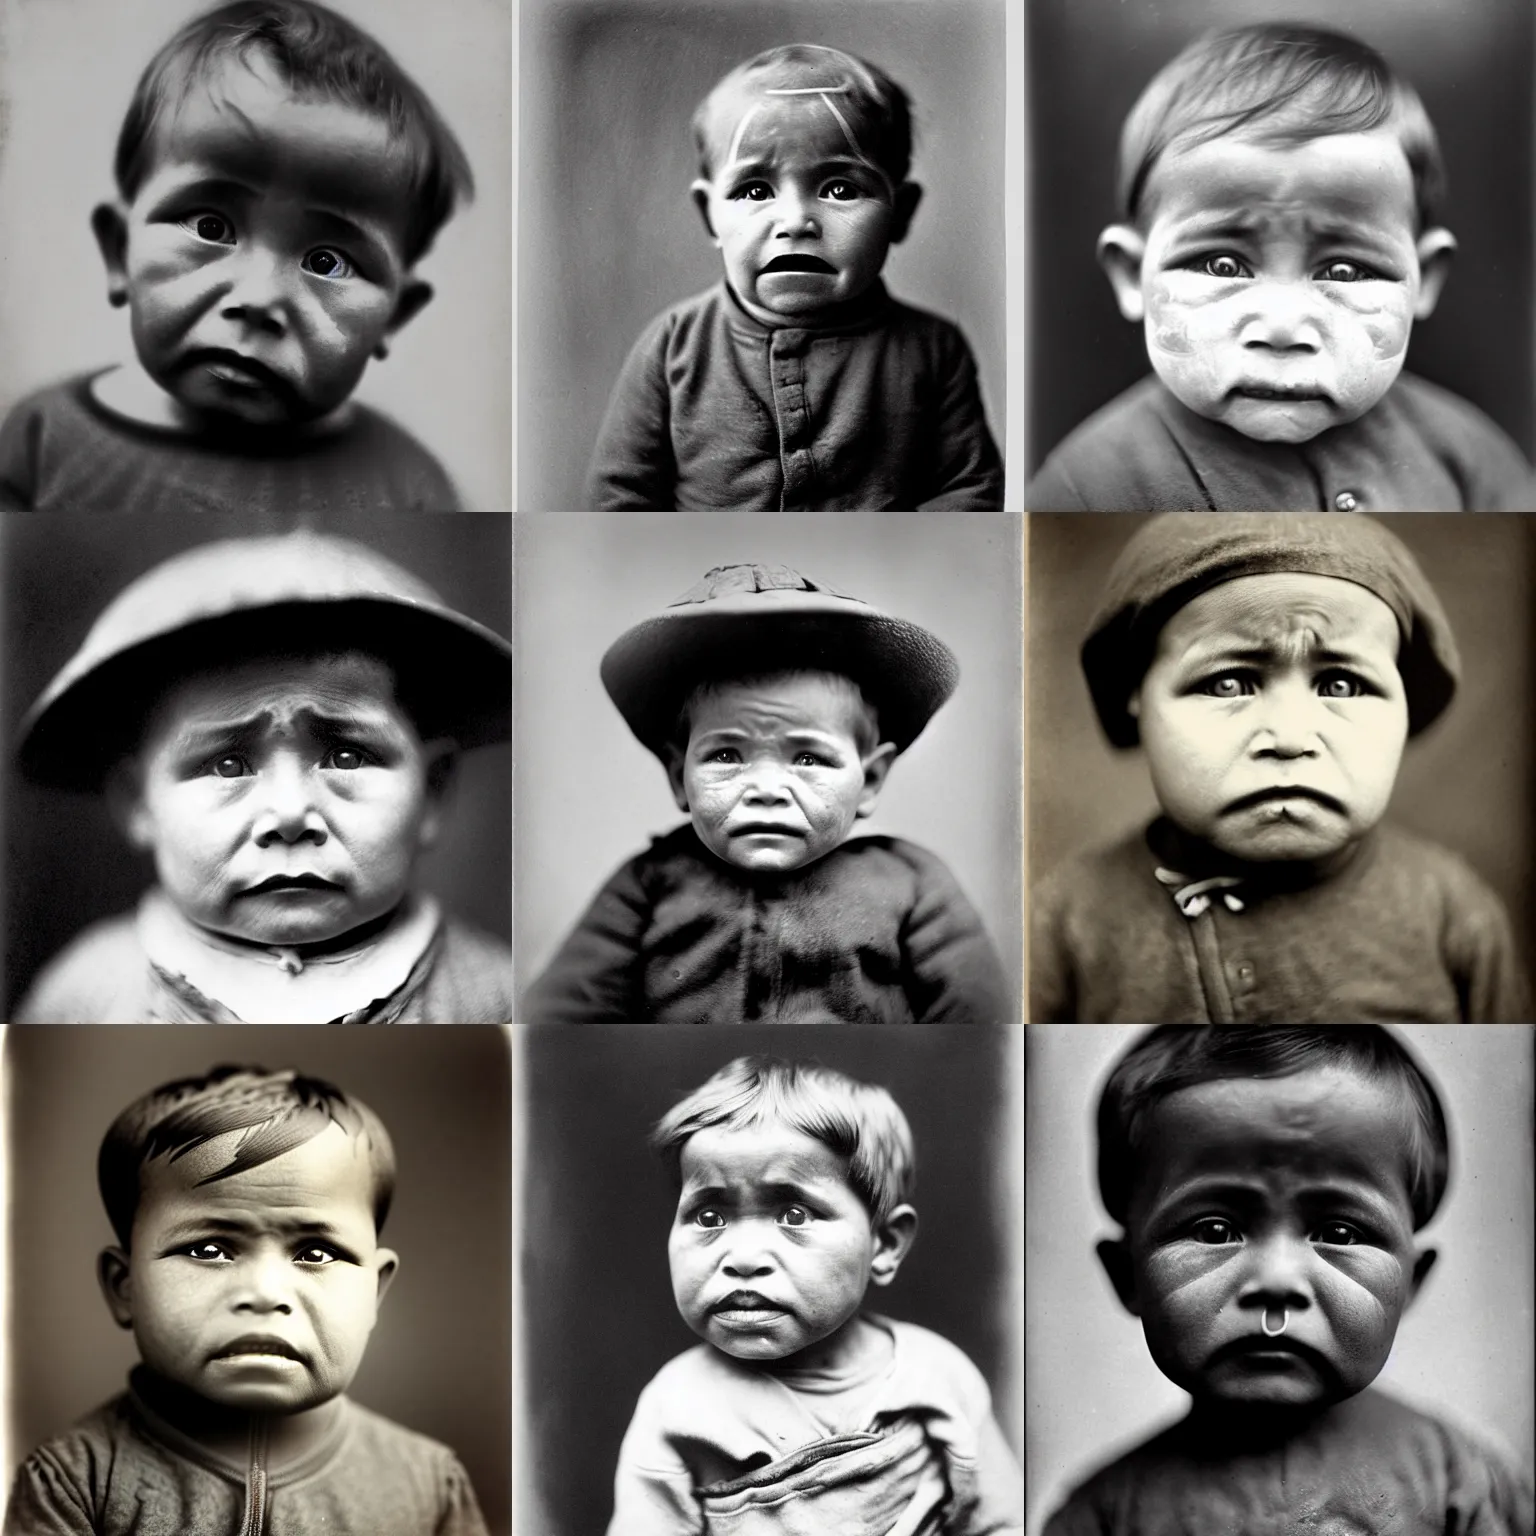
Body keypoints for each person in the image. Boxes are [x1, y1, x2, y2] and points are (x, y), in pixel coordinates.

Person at [1030, 512, 1531, 1022]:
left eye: (1341, 685)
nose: (1290, 739)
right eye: (1228, 683)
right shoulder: (1067, 918)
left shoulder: (1451, 912)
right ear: (1136, 696)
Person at [1043, 1025, 1534, 1535]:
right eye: (1214, 1230)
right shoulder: (1103, 1516)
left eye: (1340, 1232)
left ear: (1411, 1282)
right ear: (1128, 1276)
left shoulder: (1459, 1479)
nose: (1277, 1280)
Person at [1026, 23, 1534, 511]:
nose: (1283, 327)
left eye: (1344, 271)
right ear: (1131, 274)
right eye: (1223, 265)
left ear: (1425, 279)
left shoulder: (1470, 455)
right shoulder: (1087, 485)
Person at [12, 528, 513, 1023]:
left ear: (433, 790)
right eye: (227, 765)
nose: (290, 813)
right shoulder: (85, 996)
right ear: (138, 801)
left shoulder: (493, 998)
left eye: (346, 757)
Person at [0, 0, 473, 512]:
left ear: (395, 317)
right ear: (119, 251)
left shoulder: (405, 484)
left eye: (326, 263)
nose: (258, 299)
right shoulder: (40, 440)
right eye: (211, 227)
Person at [2, 1063, 488, 1535]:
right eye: (209, 1250)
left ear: (374, 1291)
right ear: (124, 1286)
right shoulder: (73, 1483)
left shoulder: (426, 1484)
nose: (264, 1293)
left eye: (316, 1252)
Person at [525, 561, 1010, 1024]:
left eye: (808, 759)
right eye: (726, 756)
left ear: (872, 780)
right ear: (679, 777)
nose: (765, 789)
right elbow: (558, 1021)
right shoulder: (649, 882)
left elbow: (979, 1023)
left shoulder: (913, 883)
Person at [608, 1055, 1022, 1534]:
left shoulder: (937, 1378)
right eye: (709, 1217)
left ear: (884, 1245)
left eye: (795, 1215)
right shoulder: (678, 1408)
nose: (743, 1257)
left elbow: (1000, 1523)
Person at [586, 44, 1004, 510]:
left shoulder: (933, 349)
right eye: (754, 190)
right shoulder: (672, 347)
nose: (795, 220)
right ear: (710, 217)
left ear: (900, 213)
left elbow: (969, 491)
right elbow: (619, 500)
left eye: (840, 189)